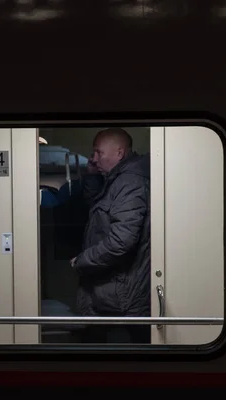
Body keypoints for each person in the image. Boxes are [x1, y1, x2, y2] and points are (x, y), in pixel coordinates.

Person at [69, 128, 151, 344]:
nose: (93, 159)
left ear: (119, 153)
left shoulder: (130, 182)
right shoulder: (117, 179)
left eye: (98, 153)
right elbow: (97, 207)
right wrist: (92, 176)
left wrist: (82, 262)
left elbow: (121, 241)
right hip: (112, 288)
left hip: (122, 292)